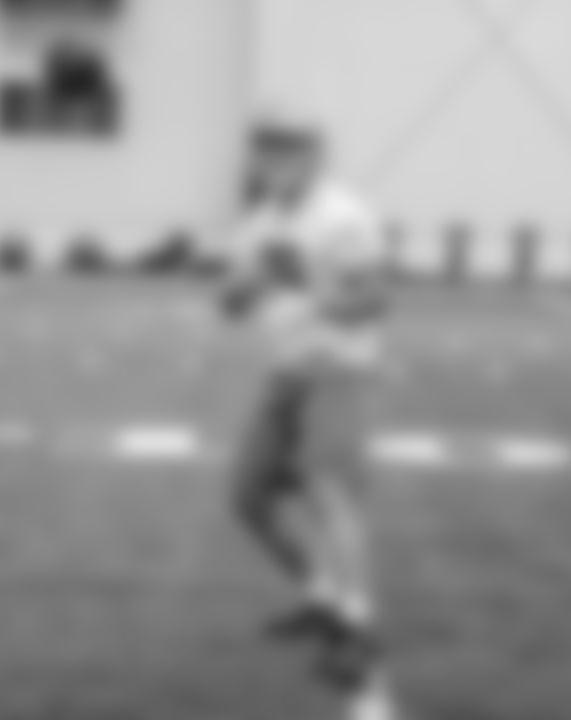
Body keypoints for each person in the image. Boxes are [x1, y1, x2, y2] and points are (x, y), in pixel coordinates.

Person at [219, 115, 393, 695]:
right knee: (248, 498)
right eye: (266, 152)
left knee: (328, 489)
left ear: (314, 157)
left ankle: (358, 626)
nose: (275, 163)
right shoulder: (258, 222)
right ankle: (324, 598)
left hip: (338, 368)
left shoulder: (344, 216)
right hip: (285, 373)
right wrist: (246, 286)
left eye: (287, 151)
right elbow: (230, 306)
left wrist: (307, 287)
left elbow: (373, 301)